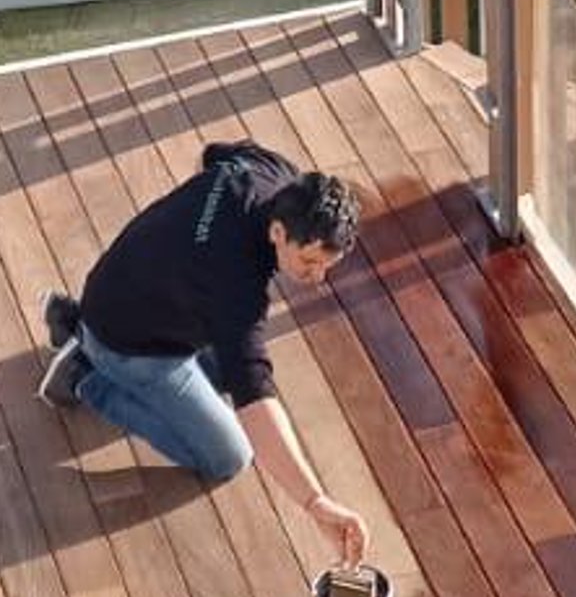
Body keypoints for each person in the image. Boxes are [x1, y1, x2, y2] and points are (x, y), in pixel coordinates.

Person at [38, 145, 370, 558]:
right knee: (230, 455)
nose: (318, 277)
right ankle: (86, 375)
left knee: (226, 363)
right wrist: (315, 502)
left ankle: (78, 322)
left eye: (326, 265)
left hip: (116, 284)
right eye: (309, 261)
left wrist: (191, 246)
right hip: (131, 346)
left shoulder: (273, 172)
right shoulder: (236, 289)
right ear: (278, 232)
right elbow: (255, 398)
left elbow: (211, 155)